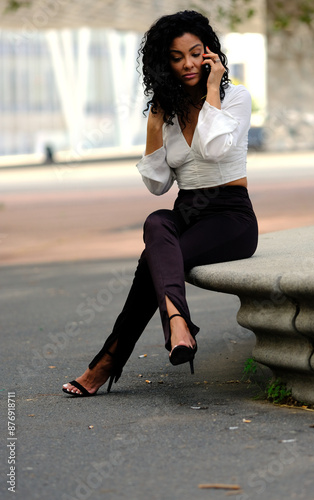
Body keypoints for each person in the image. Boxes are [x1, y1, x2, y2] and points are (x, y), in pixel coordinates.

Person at [62, 10, 258, 397]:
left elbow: (214, 149)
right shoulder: (166, 110)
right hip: (187, 211)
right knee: (156, 219)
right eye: (176, 56)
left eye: (195, 52)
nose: (187, 63)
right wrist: (154, 128)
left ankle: (106, 363)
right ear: (163, 62)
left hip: (231, 214)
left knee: (154, 259)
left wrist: (214, 89)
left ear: (210, 54)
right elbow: (157, 185)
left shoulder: (236, 98)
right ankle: (178, 325)